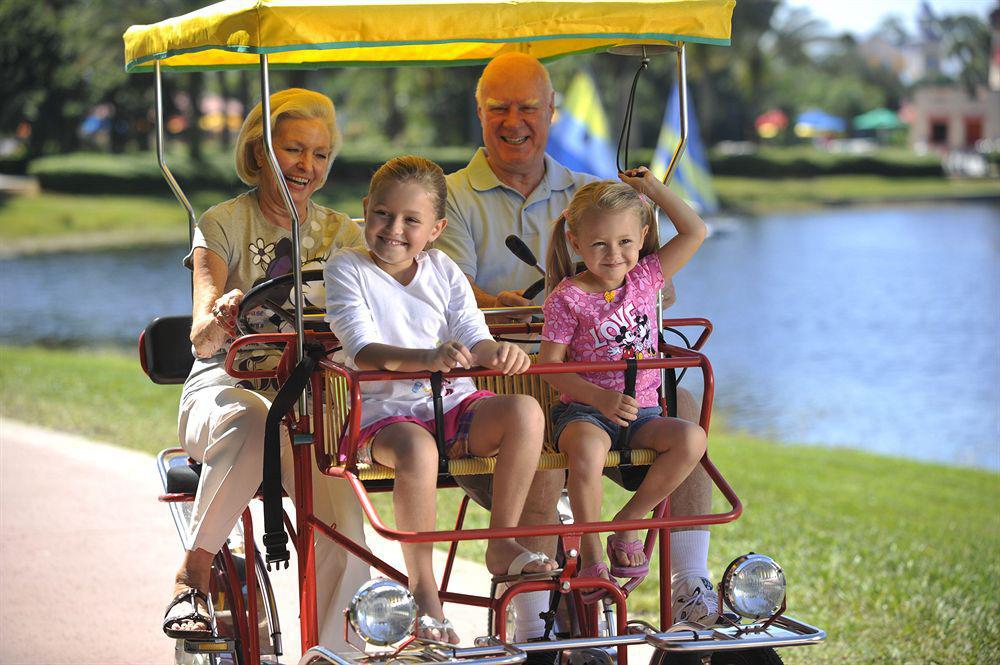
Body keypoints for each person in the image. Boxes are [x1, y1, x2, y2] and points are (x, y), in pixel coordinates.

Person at [437, 52, 720, 636]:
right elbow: (450, 291)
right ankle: (535, 611)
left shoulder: (590, 194)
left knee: (689, 410)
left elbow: (650, 283)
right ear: (480, 112)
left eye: (528, 108)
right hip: (504, 381)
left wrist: (630, 271)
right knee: (537, 435)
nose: (515, 121)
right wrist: (500, 306)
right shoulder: (448, 198)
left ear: (552, 113)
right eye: (499, 108)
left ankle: (687, 585)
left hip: (612, 387)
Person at [163, 89, 370, 649]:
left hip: (313, 401)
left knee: (348, 531)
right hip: (226, 386)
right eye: (293, 151)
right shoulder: (222, 222)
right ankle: (195, 570)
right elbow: (201, 336)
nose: (307, 166)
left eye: (320, 154)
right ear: (260, 153)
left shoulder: (346, 234)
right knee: (255, 421)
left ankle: (332, 655)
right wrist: (224, 315)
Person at [324, 155, 556, 644]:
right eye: (383, 214)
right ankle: (425, 592)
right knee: (417, 449)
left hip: (451, 406)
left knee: (525, 410)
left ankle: (500, 541)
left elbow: (474, 335)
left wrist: (500, 351)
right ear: (366, 209)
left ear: (436, 228)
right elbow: (364, 351)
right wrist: (427, 358)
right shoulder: (348, 267)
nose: (394, 229)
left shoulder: (443, 269)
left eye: (412, 220)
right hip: (384, 413)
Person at [539, 169, 707, 600]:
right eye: (599, 244)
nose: (614, 254)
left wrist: (651, 189)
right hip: (586, 411)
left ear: (643, 236)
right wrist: (599, 397)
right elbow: (548, 367)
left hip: (643, 412)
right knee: (587, 449)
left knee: (691, 439)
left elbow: (695, 230)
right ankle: (591, 548)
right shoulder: (567, 296)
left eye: (625, 242)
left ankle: (627, 524)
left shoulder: (647, 278)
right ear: (576, 242)